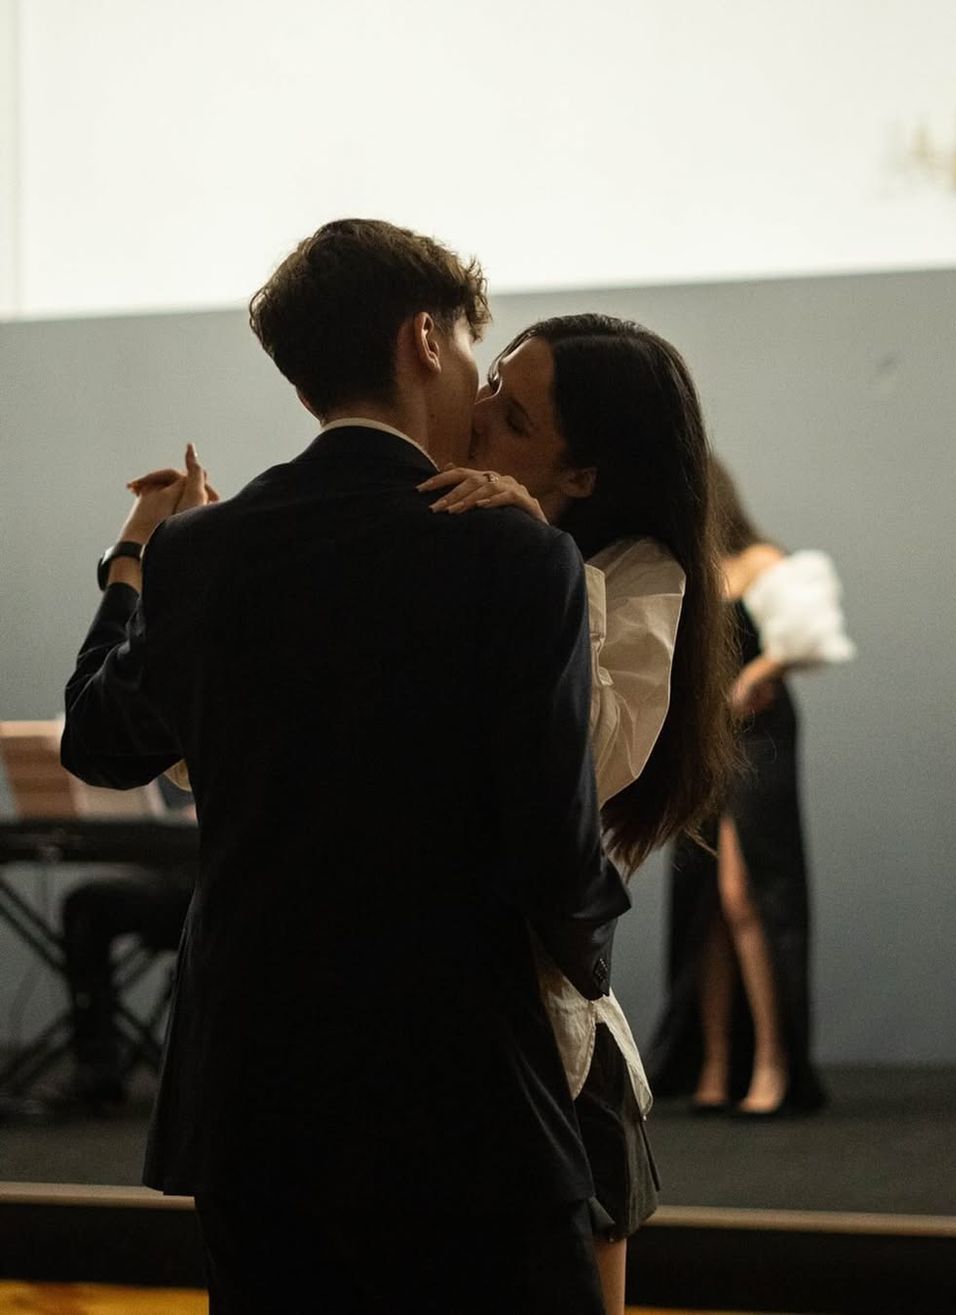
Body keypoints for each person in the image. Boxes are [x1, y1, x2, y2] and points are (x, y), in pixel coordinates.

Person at [61, 219, 631, 1315]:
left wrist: (134, 555)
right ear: (424, 338)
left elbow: (99, 739)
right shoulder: (514, 552)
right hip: (461, 1086)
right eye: (472, 348)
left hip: (252, 1098)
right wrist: (584, 985)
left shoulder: (202, 552)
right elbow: (553, 852)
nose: (476, 384)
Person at [417, 315, 737, 1315]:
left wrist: (539, 565)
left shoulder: (635, 571)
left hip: (541, 1043)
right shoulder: (430, 522)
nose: (475, 413)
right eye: (491, 383)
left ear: (584, 475)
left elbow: (591, 759)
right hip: (408, 1028)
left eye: (512, 417)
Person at [647, 456, 855, 1117]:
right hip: (703, 740)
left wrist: (757, 672)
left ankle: (773, 1061)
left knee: (748, 891)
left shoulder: (762, 562)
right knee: (704, 902)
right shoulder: (684, 572)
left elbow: (811, 637)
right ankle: (714, 1062)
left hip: (759, 737)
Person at [57, 774, 195, 1111]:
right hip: (177, 872)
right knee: (86, 907)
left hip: (215, 882)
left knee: (88, 906)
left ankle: (99, 1063)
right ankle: (98, 1066)